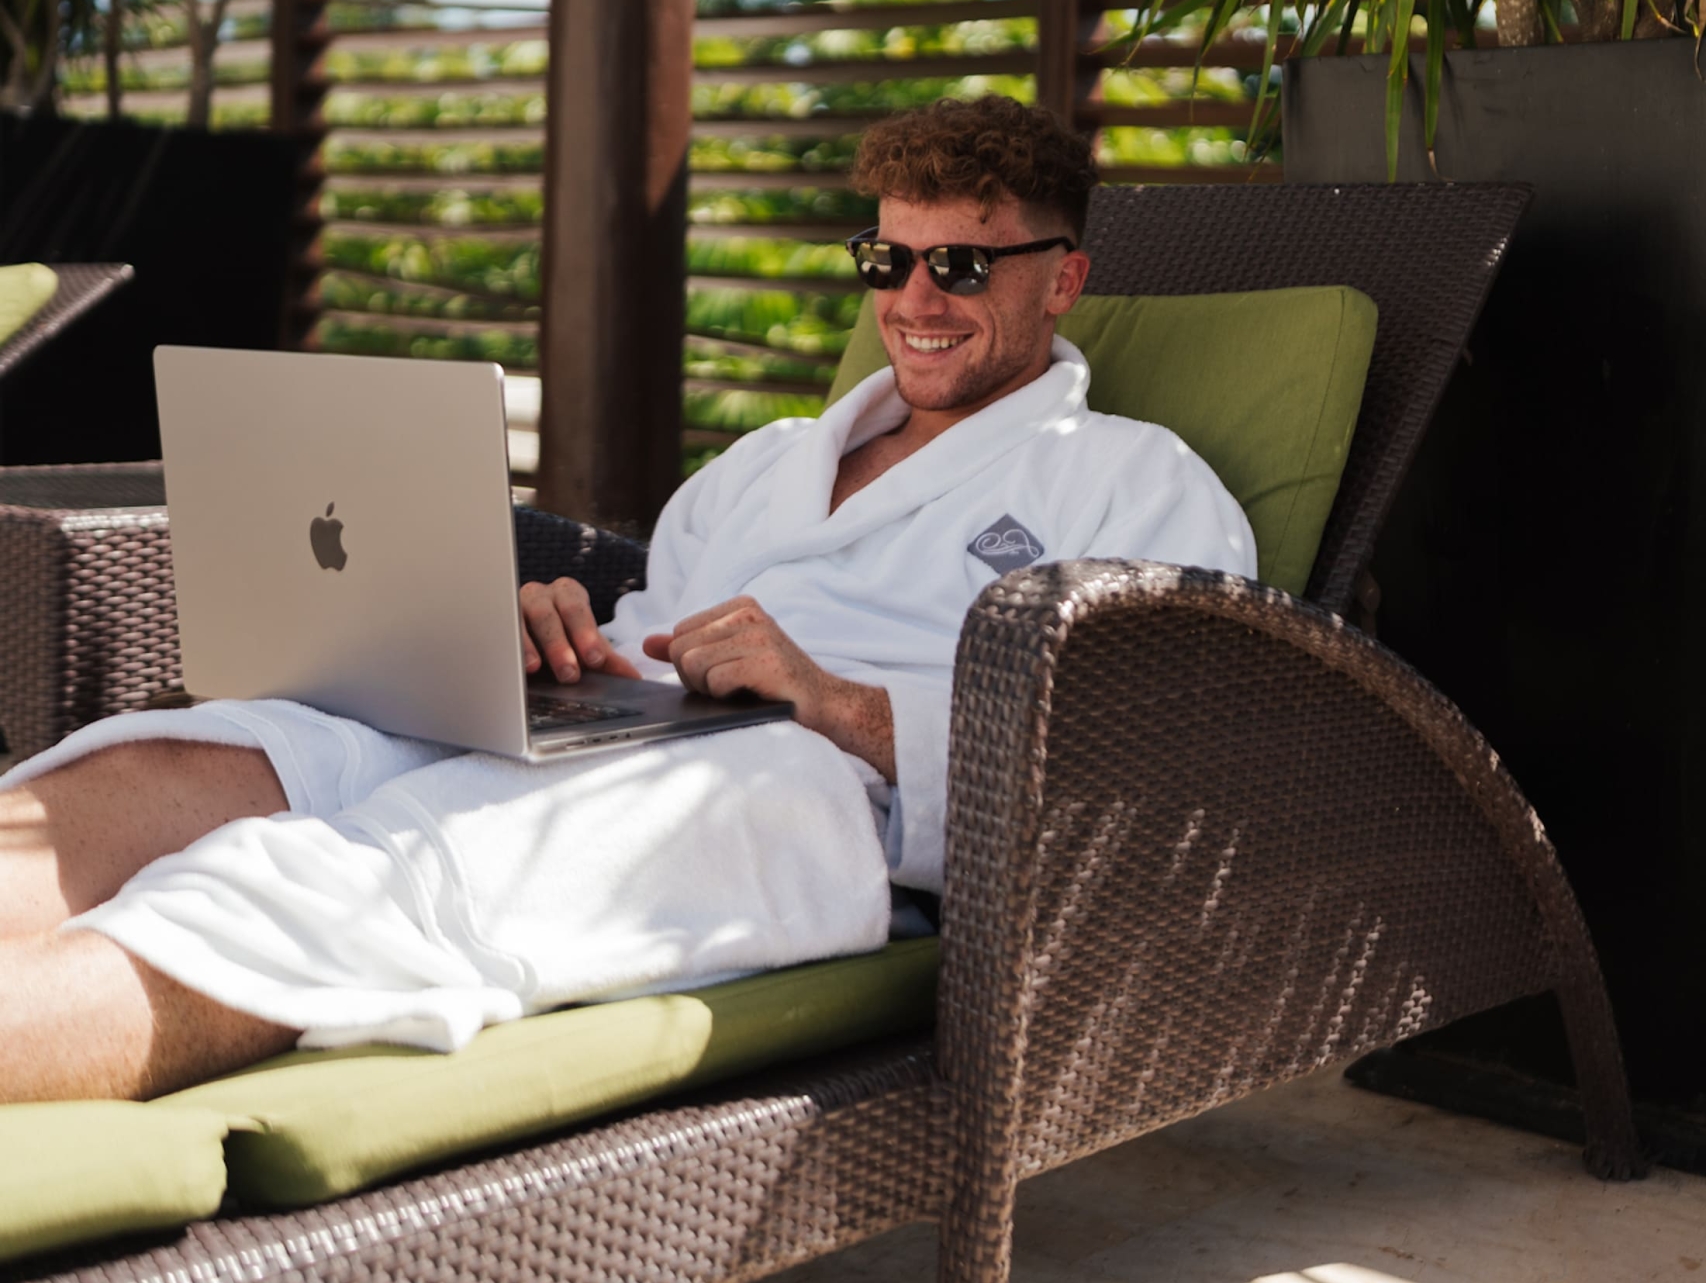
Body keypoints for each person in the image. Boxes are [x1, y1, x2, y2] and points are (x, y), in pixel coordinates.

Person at [0, 97, 1255, 1101]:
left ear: (1063, 278)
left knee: (342, 879)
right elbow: (652, 621)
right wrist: (560, 639)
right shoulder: (768, 459)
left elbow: (1148, 759)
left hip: (801, 798)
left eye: (963, 264)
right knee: (221, 751)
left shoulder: (1132, 482)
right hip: (621, 723)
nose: (913, 301)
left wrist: (834, 702)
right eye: (888, 255)